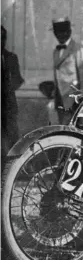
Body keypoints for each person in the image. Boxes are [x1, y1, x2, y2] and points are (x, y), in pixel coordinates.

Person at [52, 17, 83, 124]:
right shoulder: (56, 51)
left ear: (69, 31)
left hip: (75, 99)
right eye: (57, 32)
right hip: (60, 99)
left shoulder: (80, 49)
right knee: (63, 129)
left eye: (63, 32)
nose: (60, 35)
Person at [1, 25, 24, 165]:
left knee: (12, 140)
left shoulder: (11, 58)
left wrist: (9, 85)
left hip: (8, 106)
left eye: (3, 38)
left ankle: (11, 169)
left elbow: (18, 80)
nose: (0, 42)